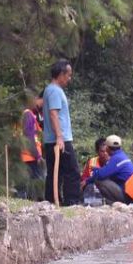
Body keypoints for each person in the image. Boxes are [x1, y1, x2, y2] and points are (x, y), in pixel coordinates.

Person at [41, 59, 82, 206]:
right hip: (59, 139)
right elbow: (53, 114)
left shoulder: (51, 90)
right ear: (61, 74)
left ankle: (52, 201)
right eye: (68, 75)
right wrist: (59, 137)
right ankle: (72, 202)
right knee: (72, 172)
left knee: (55, 173)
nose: (69, 79)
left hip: (54, 139)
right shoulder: (54, 91)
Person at [88, 135, 133, 204]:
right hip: (130, 193)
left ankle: (112, 202)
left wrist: (88, 179)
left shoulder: (116, 158)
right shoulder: (122, 156)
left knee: (99, 179)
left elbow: (100, 175)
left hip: (126, 195)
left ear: (107, 148)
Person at [19, 92, 45, 199]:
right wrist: (37, 156)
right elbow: (29, 137)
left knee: (26, 183)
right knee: (38, 181)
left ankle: (27, 202)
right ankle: (40, 204)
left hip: (27, 155)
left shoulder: (30, 115)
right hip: (30, 156)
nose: (43, 105)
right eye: (42, 102)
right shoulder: (28, 115)